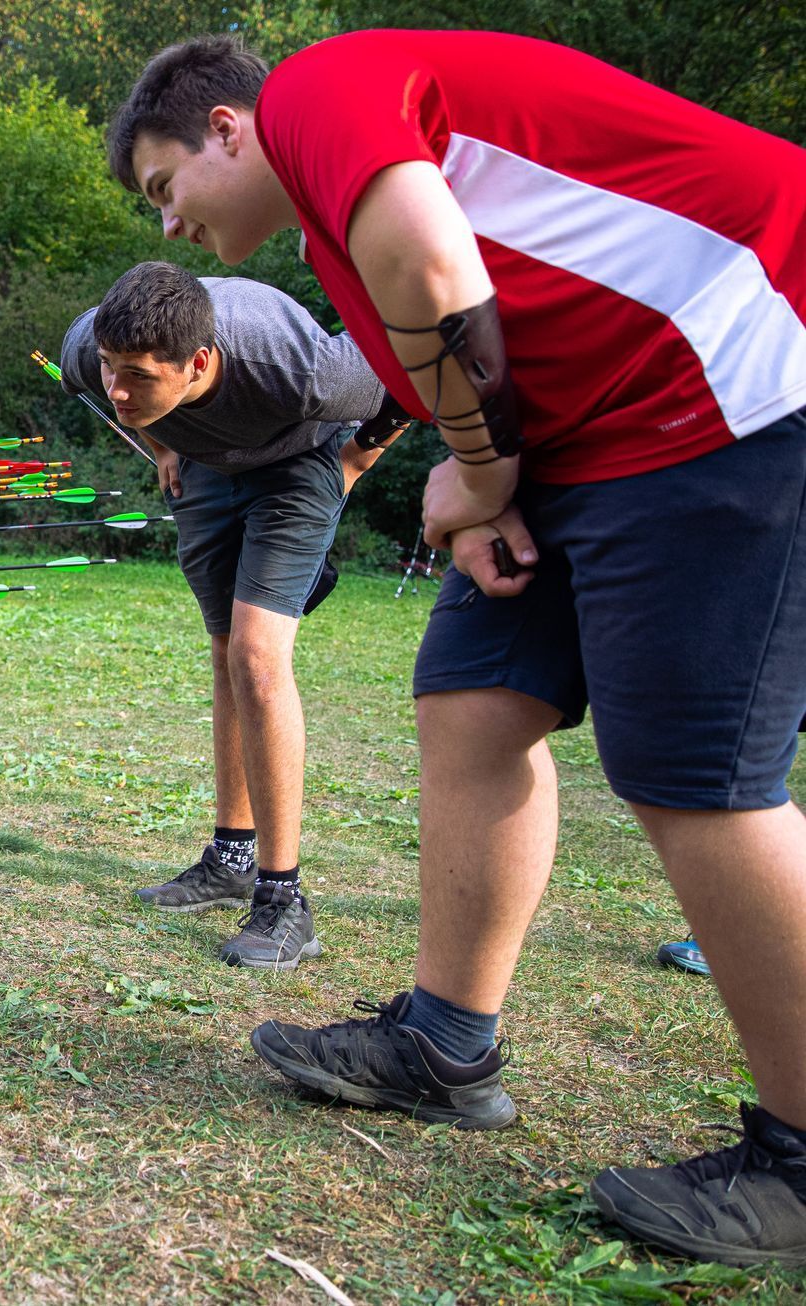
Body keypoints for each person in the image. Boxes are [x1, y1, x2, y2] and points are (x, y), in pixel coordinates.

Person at [105, 30, 806, 1266]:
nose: (168, 225)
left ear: (225, 128)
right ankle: (444, 1043)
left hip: (736, 366)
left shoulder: (313, 95)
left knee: (694, 769)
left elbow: (435, 263)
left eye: (165, 186)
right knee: (475, 696)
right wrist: (486, 491)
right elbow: (475, 334)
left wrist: (477, 470)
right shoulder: (327, 237)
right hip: (599, 431)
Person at [59, 261, 407, 968]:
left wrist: (357, 460)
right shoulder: (91, 350)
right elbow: (108, 384)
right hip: (205, 471)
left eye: (139, 377)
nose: (116, 388)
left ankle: (284, 901)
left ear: (199, 363)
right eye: (109, 367)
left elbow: (407, 365)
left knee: (257, 656)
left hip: (299, 468)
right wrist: (162, 442)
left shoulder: (301, 368)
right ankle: (231, 860)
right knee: (226, 654)